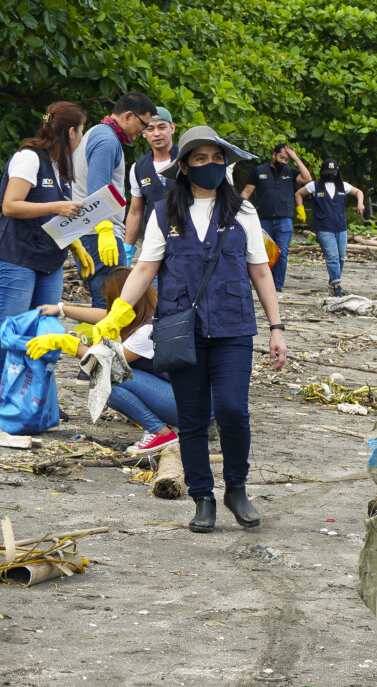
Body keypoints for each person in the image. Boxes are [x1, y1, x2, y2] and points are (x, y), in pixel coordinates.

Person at [41, 125, 289, 533]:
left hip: (233, 328)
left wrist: (276, 328)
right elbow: (144, 271)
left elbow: (261, 273)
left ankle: (237, 489)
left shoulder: (242, 212)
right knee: (191, 418)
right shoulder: (165, 212)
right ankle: (203, 498)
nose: (210, 164)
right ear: (185, 167)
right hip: (180, 330)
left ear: (225, 163)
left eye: (216, 158)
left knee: (232, 410)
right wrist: (113, 318)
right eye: (200, 158)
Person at [35, 266, 179, 454]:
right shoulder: (150, 314)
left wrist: (65, 343)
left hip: (182, 404)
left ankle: (161, 433)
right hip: (183, 397)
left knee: (106, 380)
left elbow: (106, 364)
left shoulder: (146, 331)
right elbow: (105, 316)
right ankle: (163, 426)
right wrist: (61, 309)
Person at [0, 102, 86, 319]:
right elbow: (10, 205)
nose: (81, 137)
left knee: (44, 331)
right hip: (19, 256)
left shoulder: (61, 163)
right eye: (82, 130)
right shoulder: (30, 158)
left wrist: (74, 240)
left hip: (51, 260)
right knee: (12, 330)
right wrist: (56, 207)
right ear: (71, 131)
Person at [71, 92, 157, 307]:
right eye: (144, 124)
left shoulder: (96, 133)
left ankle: (98, 342)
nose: (143, 131)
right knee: (110, 307)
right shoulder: (107, 140)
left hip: (89, 232)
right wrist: (106, 230)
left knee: (106, 304)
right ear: (128, 116)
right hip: (99, 235)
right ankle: (105, 344)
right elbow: (97, 189)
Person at [241, 143, 312, 291]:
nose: (283, 161)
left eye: (286, 159)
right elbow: (246, 193)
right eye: (281, 157)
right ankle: (264, 283)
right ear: (273, 155)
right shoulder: (259, 171)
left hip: (284, 219)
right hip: (264, 219)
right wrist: (242, 210)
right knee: (264, 252)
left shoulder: (289, 171)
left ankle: (277, 285)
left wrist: (296, 158)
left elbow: (307, 179)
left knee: (282, 253)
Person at [295, 160, 366, 297]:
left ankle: (333, 278)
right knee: (332, 257)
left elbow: (359, 192)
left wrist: (360, 203)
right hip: (324, 227)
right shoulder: (314, 186)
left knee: (341, 257)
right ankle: (336, 285)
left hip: (341, 227)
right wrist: (300, 208)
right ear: (322, 172)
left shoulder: (342, 186)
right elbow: (298, 194)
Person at [124, 107, 178, 250]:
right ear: (143, 133)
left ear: (172, 128)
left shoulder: (189, 161)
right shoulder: (138, 168)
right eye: (150, 129)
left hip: (187, 240)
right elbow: (135, 212)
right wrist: (128, 247)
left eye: (162, 127)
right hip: (155, 241)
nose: (156, 134)